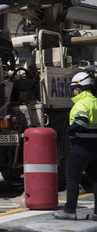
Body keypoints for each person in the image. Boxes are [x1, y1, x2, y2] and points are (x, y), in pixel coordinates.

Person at [52, 72, 97, 220]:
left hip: (80, 148)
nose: (73, 91)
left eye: (74, 88)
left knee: (71, 178)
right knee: (95, 180)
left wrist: (71, 132)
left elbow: (81, 120)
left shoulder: (82, 103)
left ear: (79, 88)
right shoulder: (95, 101)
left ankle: (69, 211)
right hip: (95, 147)